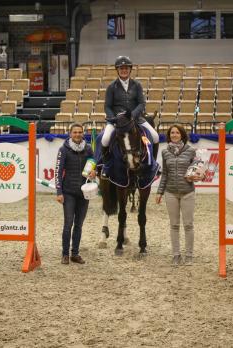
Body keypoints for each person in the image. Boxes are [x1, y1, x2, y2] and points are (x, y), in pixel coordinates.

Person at [155, 125, 204, 266]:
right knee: (174, 225)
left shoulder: (191, 151)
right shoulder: (165, 152)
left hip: (188, 192)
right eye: (172, 133)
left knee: (188, 225)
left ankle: (189, 255)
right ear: (169, 135)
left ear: (182, 135)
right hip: (170, 193)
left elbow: (199, 170)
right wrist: (159, 192)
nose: (174, 135)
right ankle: (176, 255)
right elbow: (165, 174)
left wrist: (198, 176)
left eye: (177, 132)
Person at [102, 56, 159, 160]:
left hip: (135, 118)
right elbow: (107, 107)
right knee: (105, 139)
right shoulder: (111, 87)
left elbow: (141, 103)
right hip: (117, 121)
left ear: (130, 70)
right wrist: (114, 119)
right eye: (121, 68)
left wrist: (132, 115)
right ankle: (105, 166)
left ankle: (153, 165)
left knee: (155, 136)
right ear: (117, 70)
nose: (124, 70)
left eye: (126, 68)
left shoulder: (137, 85)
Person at [55, 123, 96, 265]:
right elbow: (58, 172)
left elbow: (92, 167)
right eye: (75, 132)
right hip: (68, 193)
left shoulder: (89, 149)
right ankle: (65, 254)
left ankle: (75, 253)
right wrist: (59, 192)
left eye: (80, 132)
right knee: (68, 224)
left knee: (79, 225)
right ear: (70, 134)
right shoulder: (63, 150)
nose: (77, 134)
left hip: (84, 193)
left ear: (83, 133)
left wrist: (93, 173)